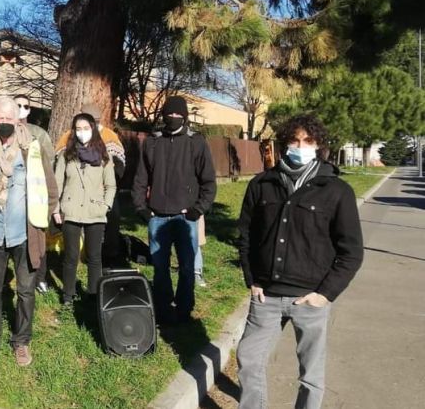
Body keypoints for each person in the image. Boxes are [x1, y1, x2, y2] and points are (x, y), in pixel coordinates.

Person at [236, 114, 363, 409]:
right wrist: (252, 279)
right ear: (284, 144)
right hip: (266, 296)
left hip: (310, 299)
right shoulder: (261, 184)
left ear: (317, 145)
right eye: (294, 140)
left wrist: (324, 294)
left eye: (307, 141)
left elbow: (351, 251)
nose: (300, 146)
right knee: (249, 361)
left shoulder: (337, 191)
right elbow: (245, 235)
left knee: (310, 375)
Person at [0, 97, 58, 366]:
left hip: (24, 231)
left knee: (25, 291)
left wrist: (46, 219)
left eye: (9, 118)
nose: (5, 122)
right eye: (0, 119)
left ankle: (21, 342)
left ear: (17, 119)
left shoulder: (32, 147)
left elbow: (49, 185)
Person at [132, 95, 216, 324]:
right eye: (170, 114)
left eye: (179, 115)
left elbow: (208, 182)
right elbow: (141, 178)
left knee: (187, 267)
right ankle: (163, 306)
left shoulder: (196, 142)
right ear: (163, 115)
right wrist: (142, 209)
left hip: (185, 218)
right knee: (160, 267)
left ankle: (184, 307)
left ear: (185, 117)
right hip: (157, 216)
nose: (174, 118)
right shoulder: (152, 142)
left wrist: (197, 210)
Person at [54, 104, 127, 276]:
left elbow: (119, 162)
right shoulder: (68, 136)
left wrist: (106, 196)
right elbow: (59, 160)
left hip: (100, 192)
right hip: (74, 194)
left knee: (113, 219)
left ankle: (109, 256)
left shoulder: (109, 135)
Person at [53, 113, 116, 305]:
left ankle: (94, 295)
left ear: (93, 129)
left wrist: (105, 206)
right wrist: (56, 209)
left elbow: (111, 185)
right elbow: (57, 183)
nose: (82, 133)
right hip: (70, 211)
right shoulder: (66, 155)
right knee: (71, 256)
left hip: (95, 212)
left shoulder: (104, 156)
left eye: (86, 129)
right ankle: (68, 296)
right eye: (78, 129)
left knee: (94, 257)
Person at [13, 94, 54, 294]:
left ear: (30, 110)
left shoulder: (39, 134)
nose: (21, 108)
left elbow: (50, 163)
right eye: (17, 105)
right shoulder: (4, 131)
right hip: (14, 196)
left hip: (36, 195)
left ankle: (40, 277)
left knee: (38, 238)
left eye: (25, 106)